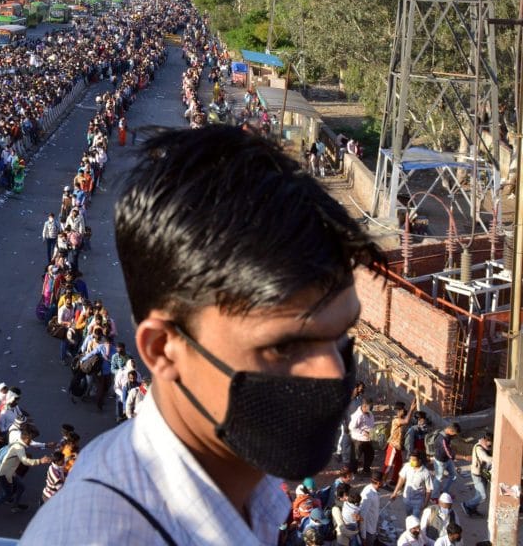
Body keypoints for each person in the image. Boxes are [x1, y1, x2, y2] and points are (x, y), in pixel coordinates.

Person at [21, 126, 382, 545]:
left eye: (341, 335)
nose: (333, 370)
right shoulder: (104, 534)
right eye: (285, 345)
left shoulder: (254, 494)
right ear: (164, 350)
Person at [391, 451, 435, 519]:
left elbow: (429, 490)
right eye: (410, 459)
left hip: (418, 502)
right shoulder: (407, 466)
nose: (411, 461)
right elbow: (401, 480)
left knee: (415, 520)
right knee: (409, 518)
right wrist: (395, 493)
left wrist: (425, 504)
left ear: (420, 461)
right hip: (407, 499)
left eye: (414, 460)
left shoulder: (426, 473)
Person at [463, 431, 492, 517]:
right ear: (486, 440)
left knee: (478, 494)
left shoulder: (487, 447)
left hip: (483, 474)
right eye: (490, 441)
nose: (490, 443)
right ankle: (467, 505)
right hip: (477, 474)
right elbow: (487, 458)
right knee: (483, 496)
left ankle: (472, 509)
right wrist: (498, 457)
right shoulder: (479, 448)